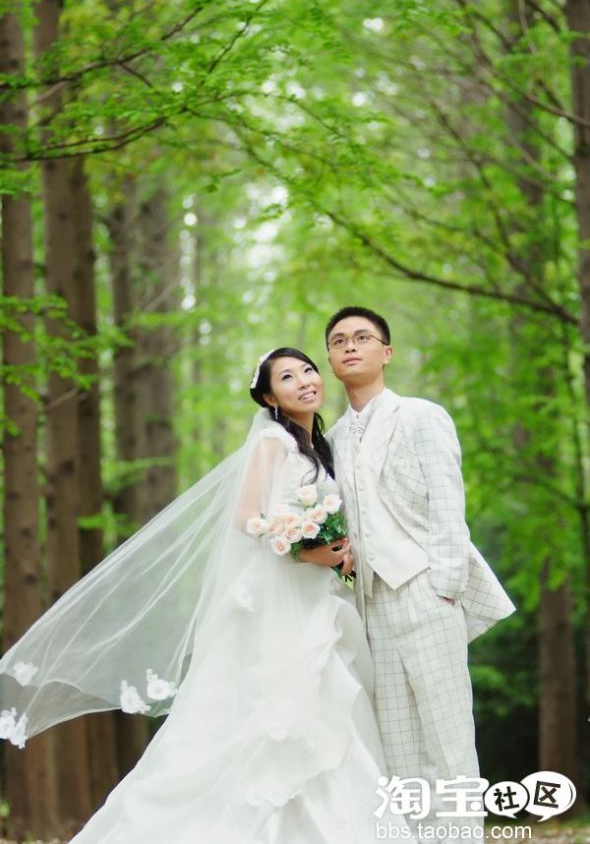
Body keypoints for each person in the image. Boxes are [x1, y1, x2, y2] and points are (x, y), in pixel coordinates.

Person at [0, 347, 414, 844]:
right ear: (270, 398)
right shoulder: (273, 442)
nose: (305, 380)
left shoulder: (317, 447)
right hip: (280, 601)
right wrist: (305, 550)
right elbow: (247, 516)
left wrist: (338, 553)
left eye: (307, 370)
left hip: (316, 599)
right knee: (270, 713)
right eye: (287, 377)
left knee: (326, 707)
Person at [325, 306, 516, 844]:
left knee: (448, 735)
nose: (350, 346)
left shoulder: (421, 416)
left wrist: (445, 586)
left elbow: (448, 503)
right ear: (331, 360)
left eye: (362, 337)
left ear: (386, 352)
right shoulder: (331, 440)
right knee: (397, 743)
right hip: (370, 604)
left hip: (427, 590)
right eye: (338, 341)